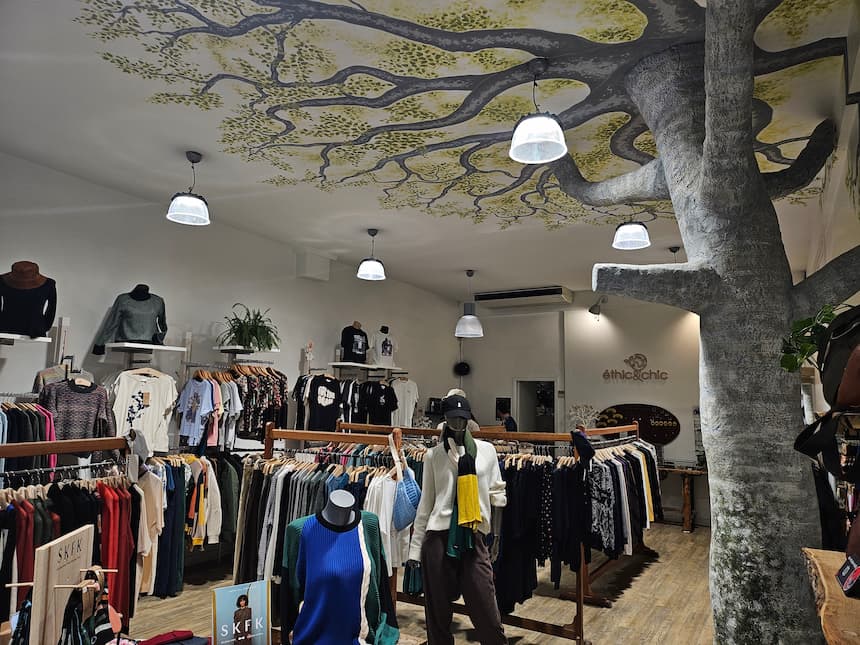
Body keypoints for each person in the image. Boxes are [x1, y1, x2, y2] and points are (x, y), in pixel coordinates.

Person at [407, 395, 507, 644]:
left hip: (474, 535)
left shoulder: (486, 451)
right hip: (438, 538)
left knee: (486, 608)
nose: (458, 424)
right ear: (445, 420)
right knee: (438, 612)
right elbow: (426, 504)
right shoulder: (433, 455)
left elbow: (497, 494)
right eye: (453, 419)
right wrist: (415, 550)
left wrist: (495, 534)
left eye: (463, 419)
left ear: (469, 419)